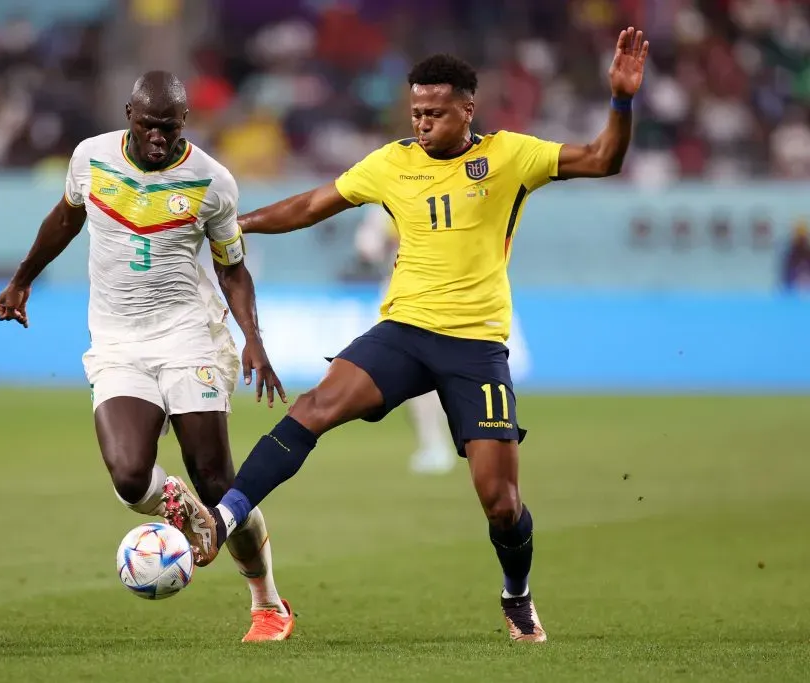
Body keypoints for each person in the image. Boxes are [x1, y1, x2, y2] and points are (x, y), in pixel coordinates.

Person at [162, 27, 650, 643]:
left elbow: (604, 159)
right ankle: (224, 517)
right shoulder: (392, 163)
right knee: (314, 407)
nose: (422, 124)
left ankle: (517, 595)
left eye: (436, 114)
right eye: (416, 112)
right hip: (404, 331)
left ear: (467, 109)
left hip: (476, 347)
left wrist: (622, 102)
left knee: (500, 502)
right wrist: (234, 226)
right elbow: (314, 204)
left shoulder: (511, 157)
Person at [0, 71, 295, 643]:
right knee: (131, 478)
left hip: (188, 336)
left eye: (171, 127)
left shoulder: (212, 181)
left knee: (217, 481)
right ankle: (182, 509)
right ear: (129, 112)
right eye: (149, 125)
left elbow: (231, 267)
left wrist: (253, 337)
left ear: (185, 122)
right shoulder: (91, 158)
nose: (159, 138)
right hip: (117, 342)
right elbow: (67, 216)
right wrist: (22, 279)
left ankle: (268, 604)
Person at [353, 204, 456, 474]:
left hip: (406, 293)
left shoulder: (388, 198)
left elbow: (367, 247)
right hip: (448, 289)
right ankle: (443, 443)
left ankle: (435, 445)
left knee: (417, 375)